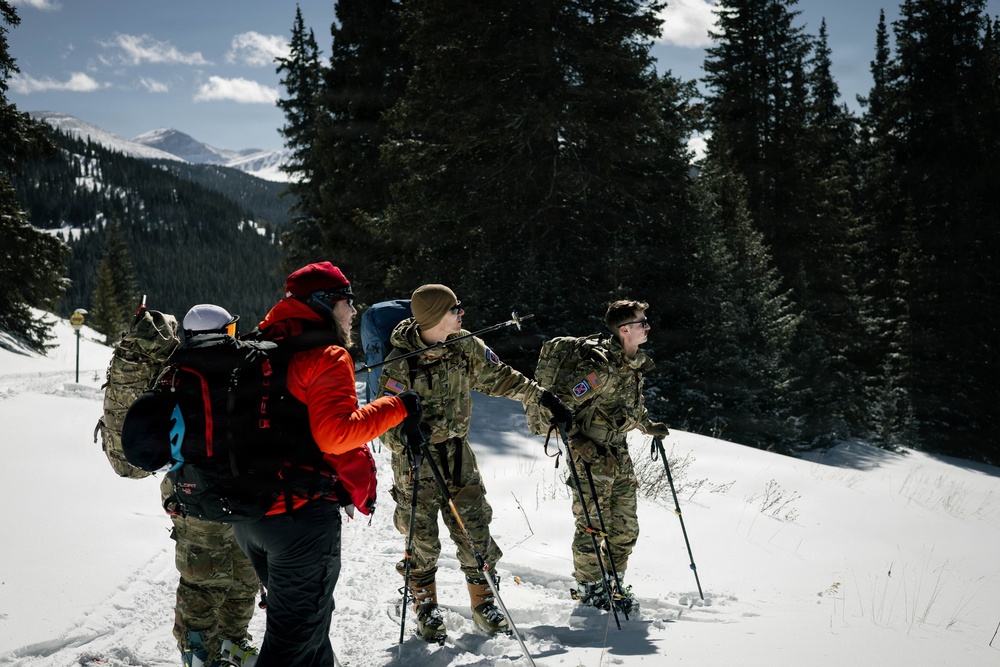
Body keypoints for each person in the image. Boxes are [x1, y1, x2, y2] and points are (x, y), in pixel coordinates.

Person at [230, 262, 420, 667]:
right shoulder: (327, 354)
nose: (353, 312)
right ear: (323, 303)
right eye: (347, 302)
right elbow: (335, 435)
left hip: (249, 516)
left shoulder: (257, 345)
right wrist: (397, 406)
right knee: (291, 644)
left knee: (307, 628)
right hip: (297, 518)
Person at [377, 284, 571, 641]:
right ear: (435, 316)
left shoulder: (464, 345)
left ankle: (483, 605)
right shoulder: (400, 363)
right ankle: (426, 609)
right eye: (455, 309)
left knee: (475, 530)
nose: (461, 313)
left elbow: (500, 378)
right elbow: (382, 424)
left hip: (458, 455)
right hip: (416, 462)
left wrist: (541, 397)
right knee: (422, 541)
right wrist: (405, 436)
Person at [552, 299, 669, 614]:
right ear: (625, 329)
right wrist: (577, 441)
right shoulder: (600, 368)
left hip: (618, 453)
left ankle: (613, 585)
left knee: (625, 527)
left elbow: (628, 406)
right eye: (642, 322)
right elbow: (561, 405)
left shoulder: (632, 363)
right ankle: (590, 592)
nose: (647, 326)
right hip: (591, 456)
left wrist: (647, 425)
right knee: (592, 526)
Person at [160, 303, 259, 667]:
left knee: (209, 578)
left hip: (190, 495)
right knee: (237, 574)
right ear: (223, 332)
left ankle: (208, 649)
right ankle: (217, 648)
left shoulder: (172, 372)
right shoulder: (248, 365)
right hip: (242, 493)